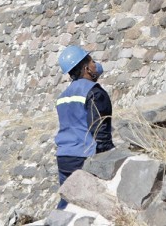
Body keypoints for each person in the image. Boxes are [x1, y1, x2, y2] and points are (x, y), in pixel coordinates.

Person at [54, 45, 114, 209]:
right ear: (86, 68)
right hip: (84, 157)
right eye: (93, 62)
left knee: (67, 203)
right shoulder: (94, 92)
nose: (96, 65)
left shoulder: (63, 96)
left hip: (64, 157)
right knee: (92, 205)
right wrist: (107, 158)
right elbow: (99, 129)